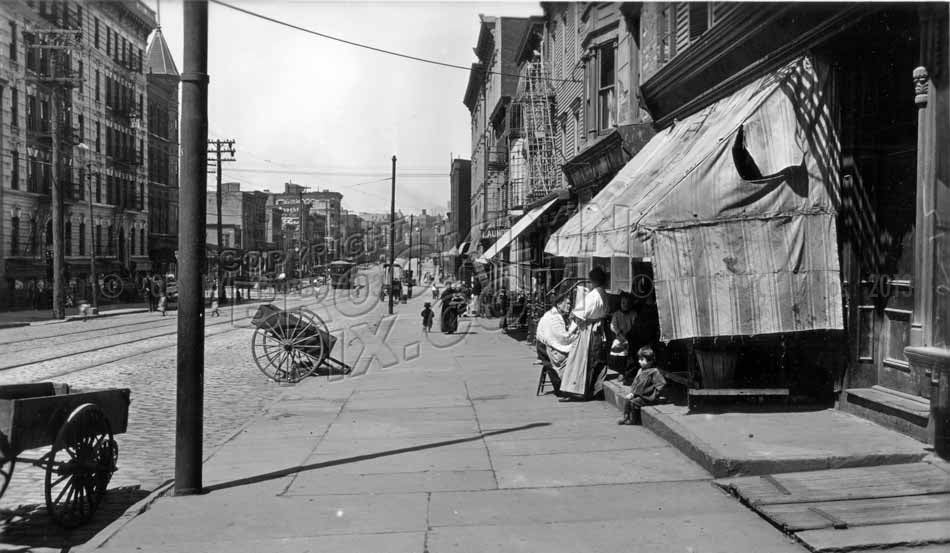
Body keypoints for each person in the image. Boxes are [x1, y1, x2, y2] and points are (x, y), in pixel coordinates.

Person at [559, 267, 610, 401]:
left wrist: (572, 324)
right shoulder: (603, 294)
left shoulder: (594, 296)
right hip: (597, 329)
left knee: (583, 360)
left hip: (588, 330)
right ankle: (593, 389)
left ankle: (581, 390)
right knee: (595, 360)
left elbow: (579, 314)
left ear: (593, 280)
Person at [535, 291, 578, 395]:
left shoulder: (556, 315)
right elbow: (563, 338)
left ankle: (569, 385)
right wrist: (575, 327)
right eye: (567, 303)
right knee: (574, 355)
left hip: (547, 346)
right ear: (559, 304)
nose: (569, 306)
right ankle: (565, 386)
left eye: (570, 303)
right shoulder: (553, 317)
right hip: (544, 349)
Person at [618, 346, 667, 425]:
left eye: (642, 359)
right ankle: (625, 416)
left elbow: (661, 383)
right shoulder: (640, 370)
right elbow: (636, 383)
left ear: (650, 361)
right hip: (637, 393)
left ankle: (633, 420)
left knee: (634, 402)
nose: (639, 361)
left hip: (646, 397)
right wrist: (632, 392)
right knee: (627, 399)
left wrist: (655, 394)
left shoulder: (654, 371)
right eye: (639, 359)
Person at [609, 292, 637, 384]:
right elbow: (613, 326)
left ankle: (626, 373)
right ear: (620, 303)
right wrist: (620, 334)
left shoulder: (633, 314)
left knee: (630, 353)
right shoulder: (616, 314)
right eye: (623, 303)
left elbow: (634, 326)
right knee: (616, 350)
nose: (625, 305)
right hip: (620, 336)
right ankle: (621, 371)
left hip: (631, 336)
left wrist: (628, 336)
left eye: (628, 303)